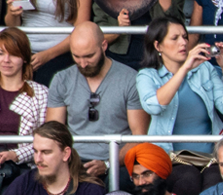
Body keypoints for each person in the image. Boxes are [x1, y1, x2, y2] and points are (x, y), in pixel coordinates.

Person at [135, 17, 223, 195]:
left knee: (215, 184)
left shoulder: (204, 69)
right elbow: (154, 106)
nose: (183, 42)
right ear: (158, 46)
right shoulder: (147, 76)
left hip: (211, 158)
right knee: (187, 179)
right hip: (170, 158)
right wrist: (184, 68)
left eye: (185, 37)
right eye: (175, 38)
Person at [46, 23, 147, 185]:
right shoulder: (62, 79)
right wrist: (68, 162)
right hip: (73, 159)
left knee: (121, 183)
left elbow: (139, 136)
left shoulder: (130, 79)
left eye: (89, 56)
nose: (83, 63)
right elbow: (53, 132)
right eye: (76, 57)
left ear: (104, 46)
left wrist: (108, 164)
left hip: (116, 158)